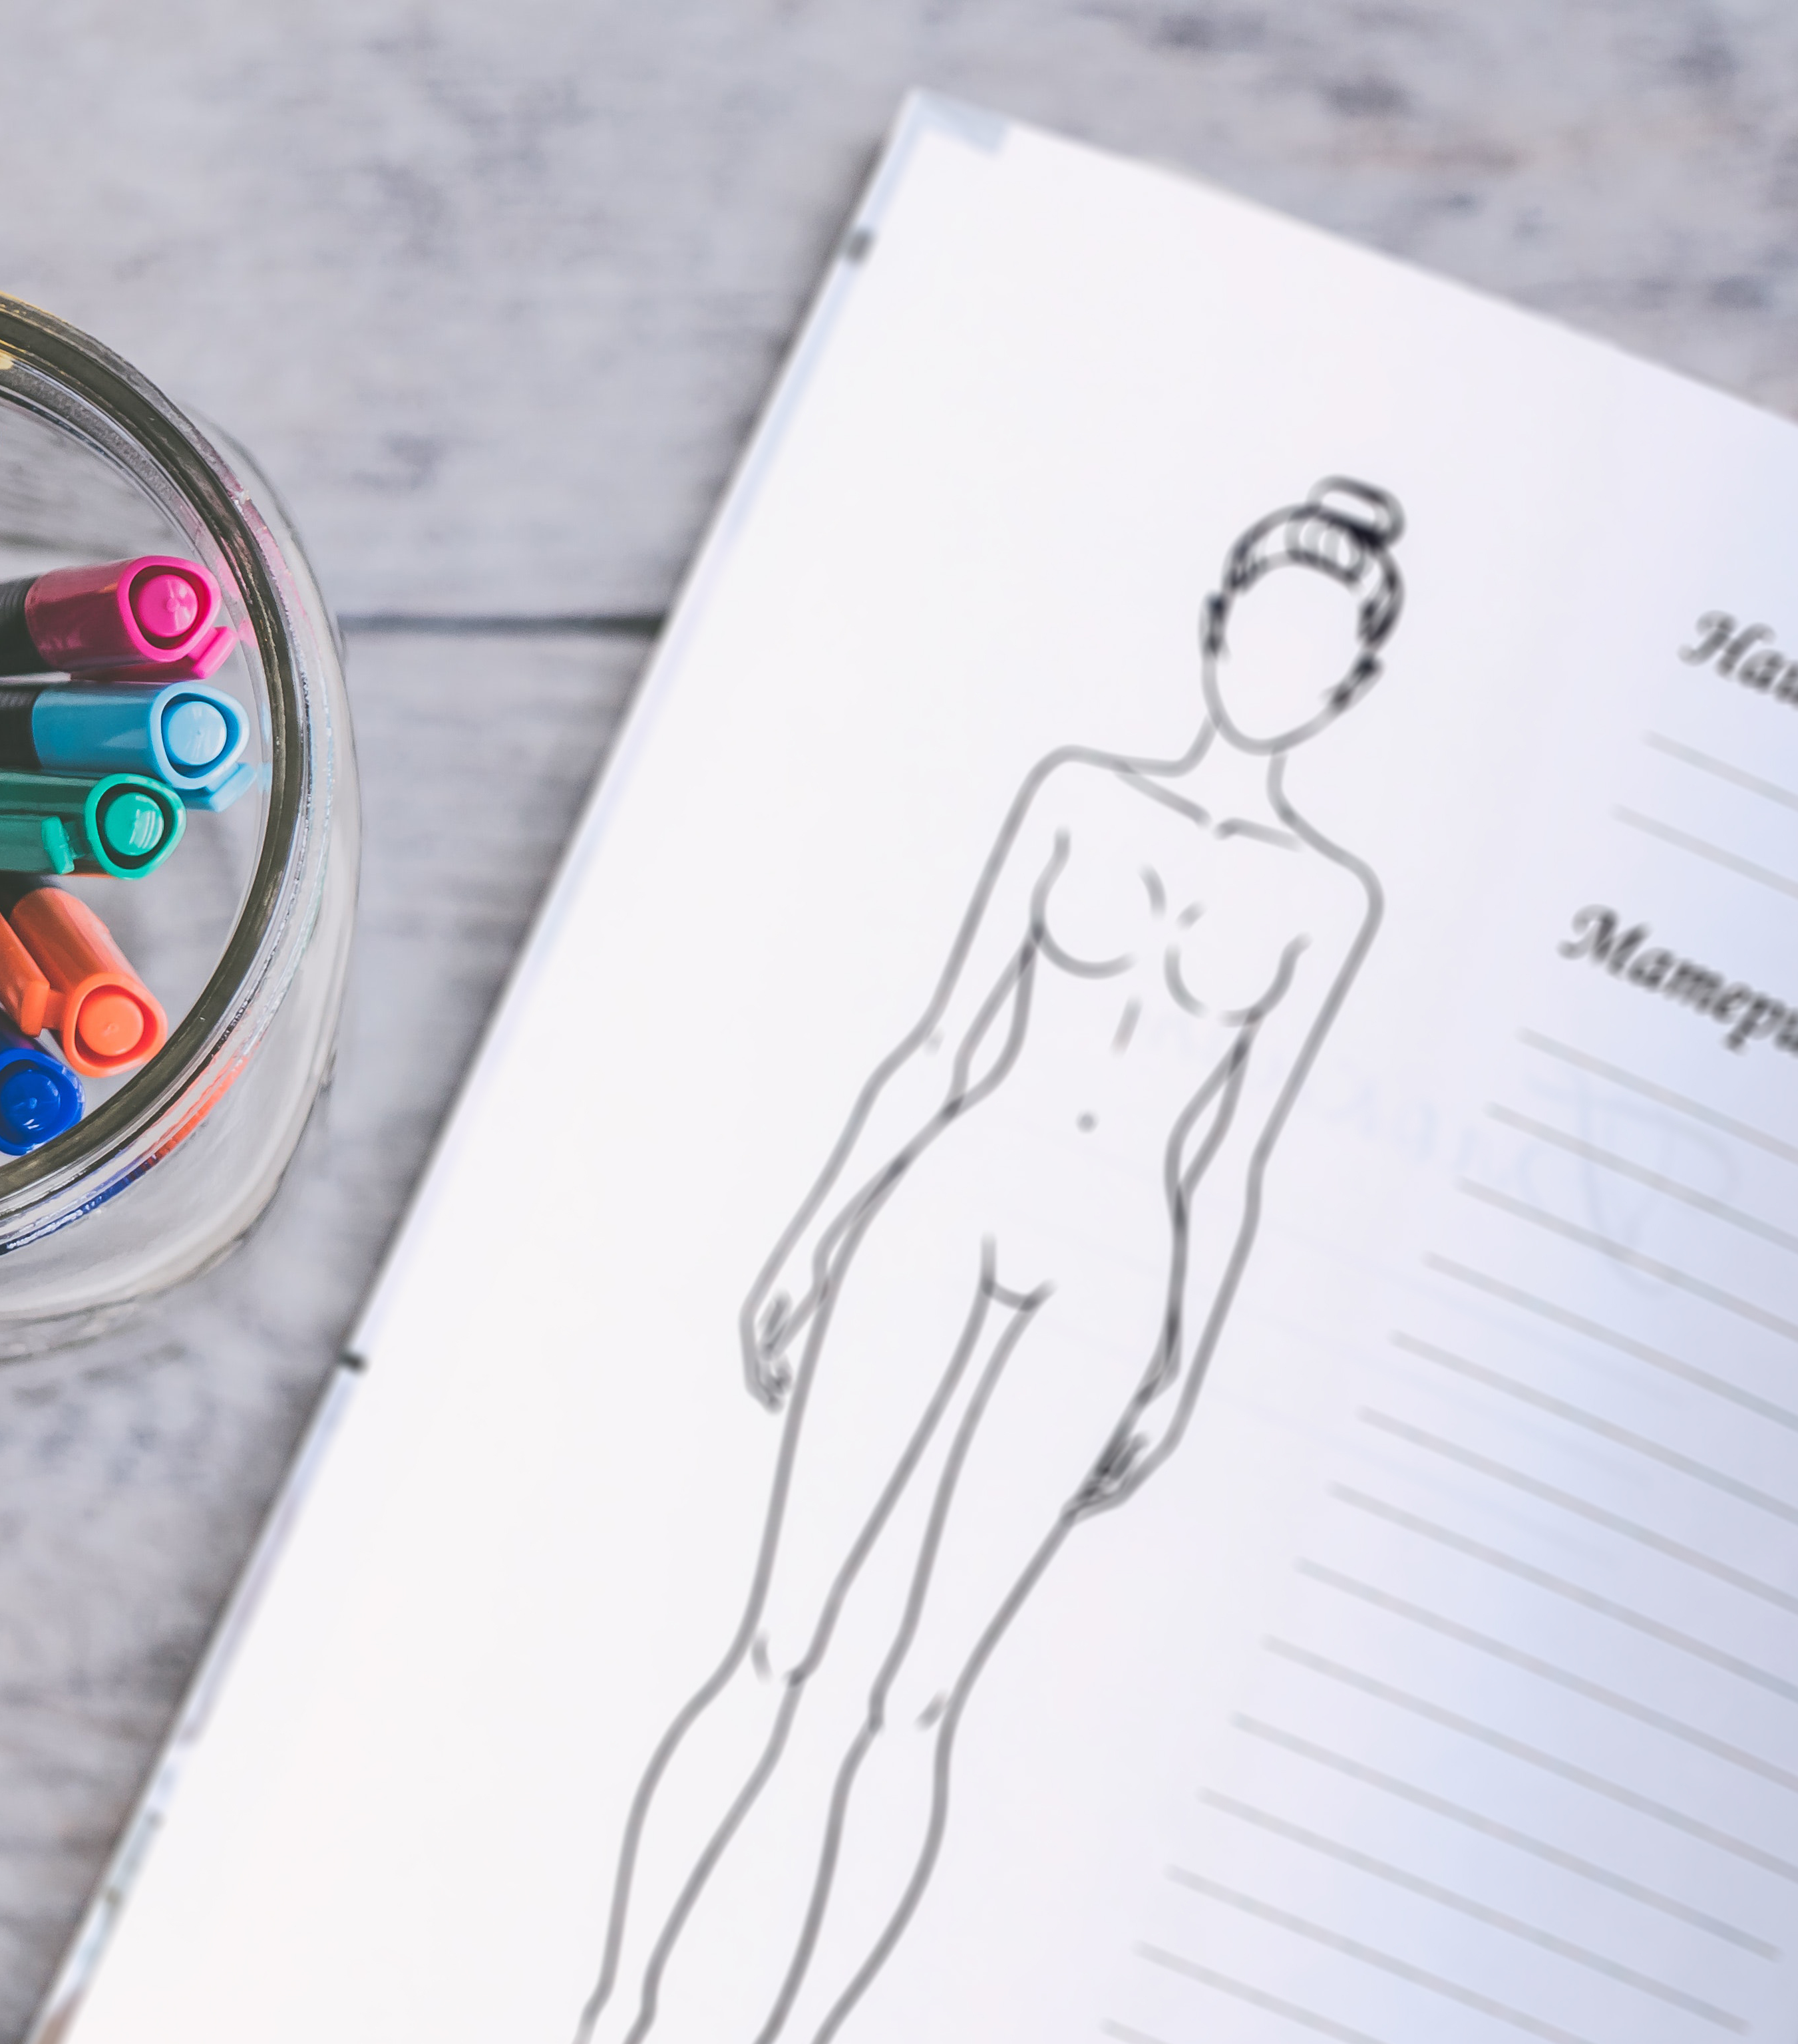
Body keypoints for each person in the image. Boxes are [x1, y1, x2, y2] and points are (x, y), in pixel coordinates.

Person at [575, 480, 1407, 2044]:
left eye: (1320, 652)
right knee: (780, 1645)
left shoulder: (1324, 899)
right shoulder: (1082, 798)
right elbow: (943, 1044)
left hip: (1117, 1260)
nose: (1278, 667)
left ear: (1350, 686)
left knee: (918, 1698)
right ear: (1218, 623)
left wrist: (1183, 1367)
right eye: (1265, 627)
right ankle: (617, 2012)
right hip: (960, 1193)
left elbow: (1236, 1160)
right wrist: (819, 1229)